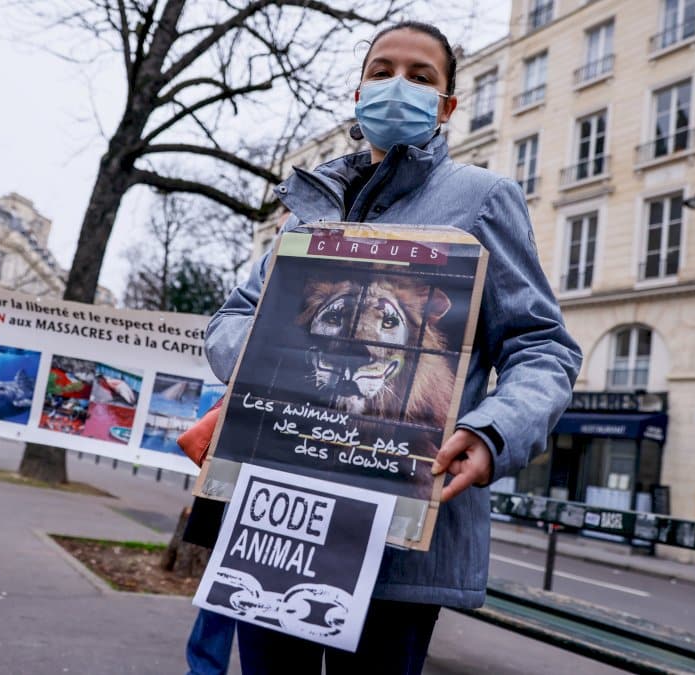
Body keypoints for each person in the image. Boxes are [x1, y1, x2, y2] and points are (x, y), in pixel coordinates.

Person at [198, 21, 582, 673]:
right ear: (356, 93)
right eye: (380, 71)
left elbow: (541, 345)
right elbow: (229, 321)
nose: (396, 84)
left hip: (399, 535)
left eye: (420, 75)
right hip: (278, 523)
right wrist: (266, 362)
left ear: (447, 105)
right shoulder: (308, 211)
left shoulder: (485, 199)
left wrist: (494, 430)